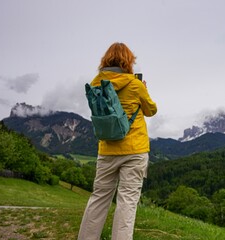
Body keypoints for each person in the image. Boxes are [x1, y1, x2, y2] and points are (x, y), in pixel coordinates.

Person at [78, 42, 157, 240]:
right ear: (128, 62)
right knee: (127, 203)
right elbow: (151, 110)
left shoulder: (96, 84)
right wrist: (144, 89)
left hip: (107, 150)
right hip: (134, 150)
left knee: (98, 199)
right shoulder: (135, 84)